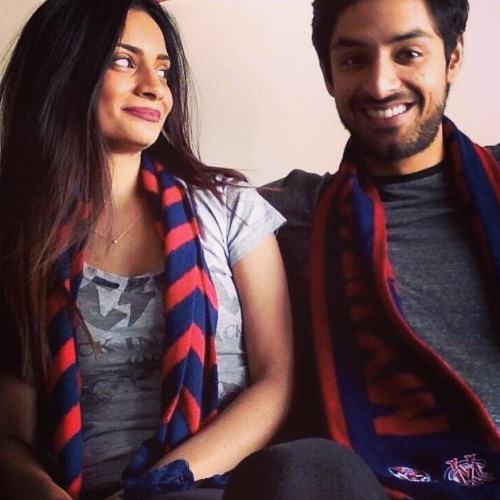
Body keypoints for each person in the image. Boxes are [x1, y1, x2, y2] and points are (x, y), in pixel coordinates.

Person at [0, 0, 297, 498]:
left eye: (163, 69)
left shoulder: (231, 208)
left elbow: (277, 381)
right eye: (124, 61)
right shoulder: (20, 238)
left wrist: (154, 488)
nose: (154, 87)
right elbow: (11, 435)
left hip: (213, 484)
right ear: (64, 71)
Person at [261, 0, 500, 498]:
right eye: (354, 60)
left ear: (453, 57)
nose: (380, 85)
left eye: (408, 54)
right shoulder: (289, 214)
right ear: (329, 75)